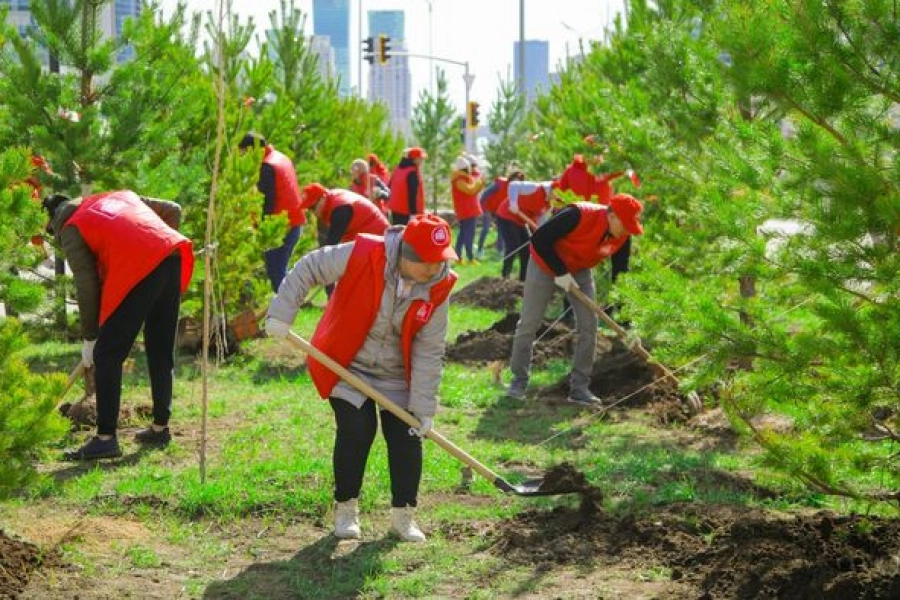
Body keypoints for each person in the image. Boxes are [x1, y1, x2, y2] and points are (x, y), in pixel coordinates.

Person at [265, 214, 458, 543]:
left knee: (407, 437)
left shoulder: (438, 287)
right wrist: (282, 314)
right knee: (357, 429)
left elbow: (429, 349)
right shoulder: (364, 252)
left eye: (440, 260)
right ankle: (346, 510)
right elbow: (310, 267)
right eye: (427, 261)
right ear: (406, 256)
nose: (434, 268)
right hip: (348, 364)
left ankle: (403, 517)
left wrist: (424, 408)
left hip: (399, 376)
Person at [43, 190, 194, 460]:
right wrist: (154, 249)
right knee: (160, 348)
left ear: (53, 220)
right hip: (171, 257)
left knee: (106, 355)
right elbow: (173, 209)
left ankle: (105, 438)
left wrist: (90, 338)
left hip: (140, 268)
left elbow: (87, 285)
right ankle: (160, 428)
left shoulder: (70, 227)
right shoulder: (117, 196)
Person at [506, 194, 644, 405]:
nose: (627, 231)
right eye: (625, 225)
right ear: (613, 216)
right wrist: (560, 273)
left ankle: (579, 388)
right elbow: (540, 239)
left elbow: (620, 276)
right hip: (544, 263)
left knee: (589, 325)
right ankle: (519, 380)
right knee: (529, 323)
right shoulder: (578, 215)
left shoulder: (622, 236)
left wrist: (627, 320)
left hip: (579, 270)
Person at [238, 132, 306, 292]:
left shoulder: (266, 166)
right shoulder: (280, 157)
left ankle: (287, 311)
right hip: (293, 220)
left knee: (276, 271)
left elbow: (266, 202)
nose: (243, 158)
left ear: (252, 150)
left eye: (243, 153)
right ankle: (293, 303)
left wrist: (258, 228)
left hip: (279, 224)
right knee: (280, 269)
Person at [494, 178, 555, 281]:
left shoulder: (548, 204)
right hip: (506, 215)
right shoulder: (535, 188)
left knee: (527, 248)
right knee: (513, 245)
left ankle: (523, 279)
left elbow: (539, 222)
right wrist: (513, 203)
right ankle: (505, 276)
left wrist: (541, 232)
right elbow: (514, 185)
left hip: (521, 221)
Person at [300, 183, 390, 247]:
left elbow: (330, 246)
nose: (312, 212)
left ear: (322, 198)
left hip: (379, 237)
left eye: (313, 207)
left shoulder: (339, 210)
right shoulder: (329, 201)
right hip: (365, 238)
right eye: (309, 209)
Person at [477, 166, 525, 260]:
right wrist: (483, 209)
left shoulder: (516, 190)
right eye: (516, 179)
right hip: (488, 208)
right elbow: (485, 194)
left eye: (519, 181)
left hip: (498, 211)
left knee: (501, 231)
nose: (517, 182)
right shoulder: (500, 183)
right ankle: (479, 251)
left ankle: (500, 252)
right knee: (486, 229)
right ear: (512, 177)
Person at [450, 156, 485, 264]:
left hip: (468, 210)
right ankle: (470, 258)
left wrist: (479, 183)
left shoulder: (464, 178)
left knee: (463, 234)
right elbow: (470, 191)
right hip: (467, 211)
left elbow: (472, 190)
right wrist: (480, 182)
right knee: (468, 234)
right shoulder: (459, 180)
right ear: (466, 168)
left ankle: (458, 257)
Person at [387, 147, 427, 226]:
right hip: (406, 211)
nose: (422, 161)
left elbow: (389, 186)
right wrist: (413, 213)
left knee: (397, 234)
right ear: (415, 159)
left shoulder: (397, 169)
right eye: (420, 158)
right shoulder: (412, 172)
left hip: (395, 209)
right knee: (407, 236)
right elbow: (412, 193)